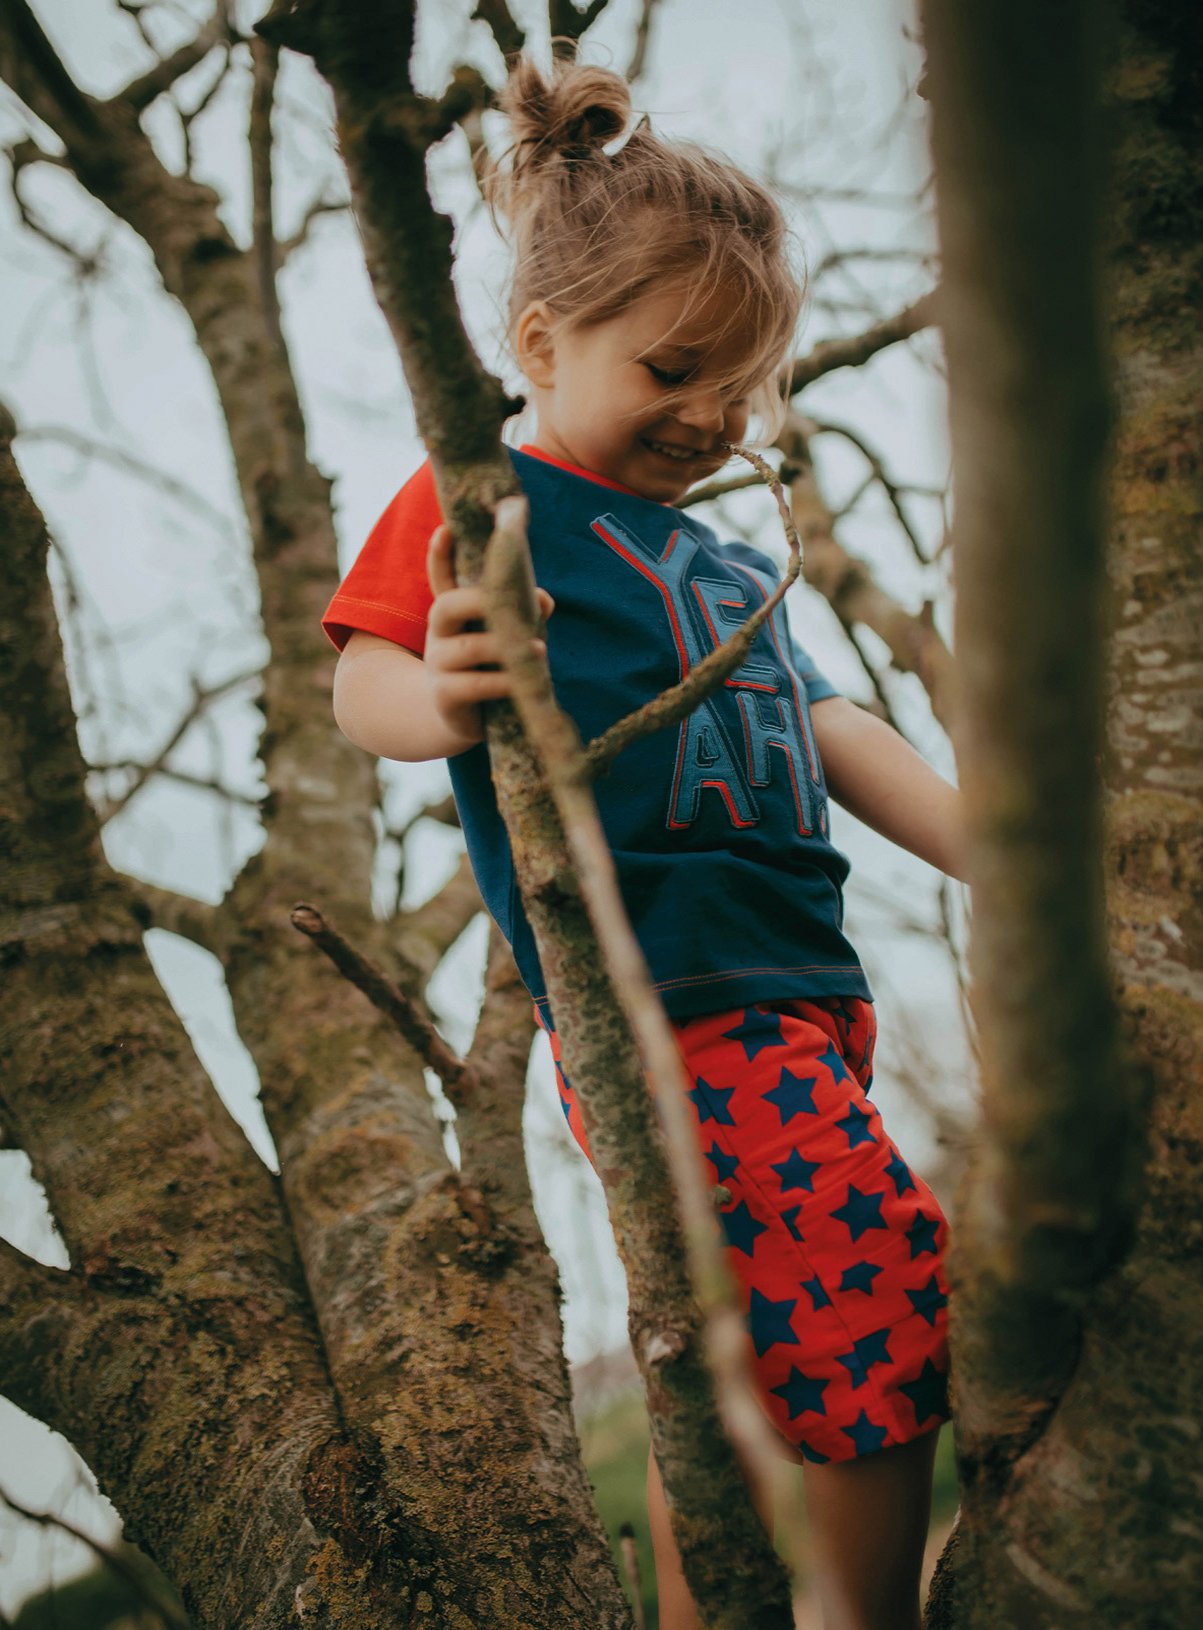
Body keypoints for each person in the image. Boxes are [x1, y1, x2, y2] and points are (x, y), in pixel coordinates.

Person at [321, 50, 964, 1630]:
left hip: (803, 987)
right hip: (671, 1001)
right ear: (544, 341)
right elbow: (362, 679)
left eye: (739, 384)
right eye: (674, 369)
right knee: (877, 1268)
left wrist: (1008, 848)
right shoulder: (492, 499)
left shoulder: (729, 563)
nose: (710, 413)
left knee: (733, 1351)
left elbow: (831, 728)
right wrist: (452, 687)